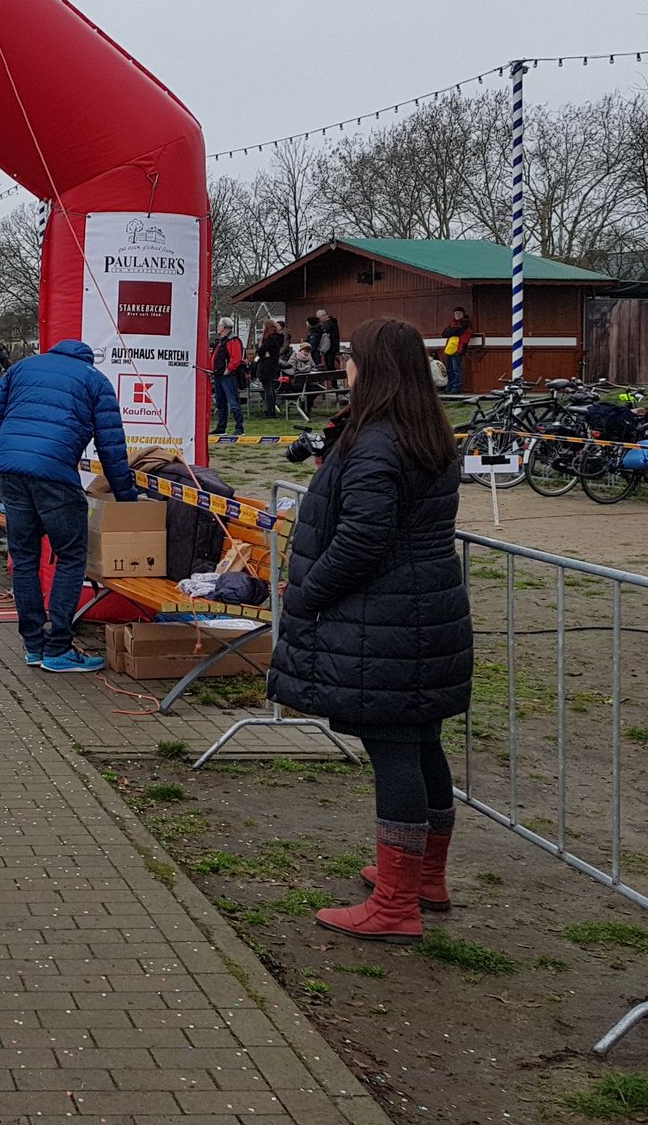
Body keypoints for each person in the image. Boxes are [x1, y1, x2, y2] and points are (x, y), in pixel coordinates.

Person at [269, 317, 470, 943]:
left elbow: (362, 538)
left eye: (352, 358)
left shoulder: (379, 442)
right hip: (427, 609)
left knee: (394, 752)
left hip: (387, 617)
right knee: (421, 741)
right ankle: (424, 877)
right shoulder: (428, 431)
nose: (347, 368)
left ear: (371, 368)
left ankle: (395, 904)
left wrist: (307, 593)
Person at [0, 338, 137, 673]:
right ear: (88, 359)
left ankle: (33, 645)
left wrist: (17, 447)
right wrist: (127, 498)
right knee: (71, 556)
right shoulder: (96, 381)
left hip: (10, 472)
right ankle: (59, 647)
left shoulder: (21, 368)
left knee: (24, 559)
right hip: (55, 475)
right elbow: (111, 447)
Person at [209, 317, 246, 436]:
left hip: (227, 376)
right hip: (219, 375)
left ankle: (239, 427)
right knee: (220, 403)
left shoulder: (232, 340)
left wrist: (228, 369)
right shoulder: (222, 341)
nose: (218, 328)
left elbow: (236, 358)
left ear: (224, 327)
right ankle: (221, 427)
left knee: (233, 402)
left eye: (219, 326)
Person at [255, 319, 286, 419]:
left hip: (266, 365)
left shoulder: (270, 339)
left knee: (268, 388)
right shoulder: (277, 338)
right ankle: (271, 409)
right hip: (273, 364)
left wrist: (262, 350)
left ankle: (270, 411)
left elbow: (260, 351)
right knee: (270, 388)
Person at [441, 306, 474, 395]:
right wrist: (453, 331)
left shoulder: (466, 323)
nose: (457, 315)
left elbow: (455, 332)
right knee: (450, 370)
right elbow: (444, 333)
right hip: (450, 349)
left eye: (459, 313)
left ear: (463, 314)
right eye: (455, 313)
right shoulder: (453, 323)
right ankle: (450, 387)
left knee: (456, 370)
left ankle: (455, 388)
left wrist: (452, 331)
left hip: (459, 349)